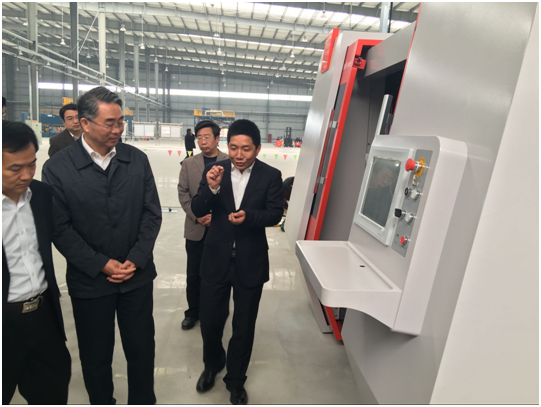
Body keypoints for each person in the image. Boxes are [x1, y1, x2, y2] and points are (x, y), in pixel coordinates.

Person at [42, 86, 162, 405]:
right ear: (84, 123)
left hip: (136, 278)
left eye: (121, 122)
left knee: (142, 350)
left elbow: (151, 214)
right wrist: (100, 263)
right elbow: (60, 228)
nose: (118, 129)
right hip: (90, 283)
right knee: (95, 357)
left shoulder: (136, 160)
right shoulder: (58, 168)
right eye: (109, 123)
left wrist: (136, 258)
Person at [191, 119, 283, 405]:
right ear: (227, 146)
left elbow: (275, 213)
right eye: (233, 148)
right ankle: (212, 365)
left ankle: (236, 380)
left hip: (250, 261)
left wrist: (249, 217)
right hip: (215, 259)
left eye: (246, 149)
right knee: (210, 321)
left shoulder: (270, 175)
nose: (239, 155)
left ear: (257, 148)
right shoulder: (214, 170)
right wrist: (212, 188)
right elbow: (197, 208)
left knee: (244, 325)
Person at [2, 121, 71, 404]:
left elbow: (65, 237)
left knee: (52, 394)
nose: (27, 174)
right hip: (5, 323)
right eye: (15, 168)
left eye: (31, 164)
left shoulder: (41, 195)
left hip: (43, 318)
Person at [177, 120, 229, 330]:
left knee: (220, 274)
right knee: (194, 274)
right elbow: (183, 193)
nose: (202, 141)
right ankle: (193, 312)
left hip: (221, 229)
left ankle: (216, 311)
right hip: (196, 228)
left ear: (217, 138)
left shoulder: (229, 161)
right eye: (199, 137)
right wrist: (196, 216)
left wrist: (215, 216)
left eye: (207, 137)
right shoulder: (188, 163)